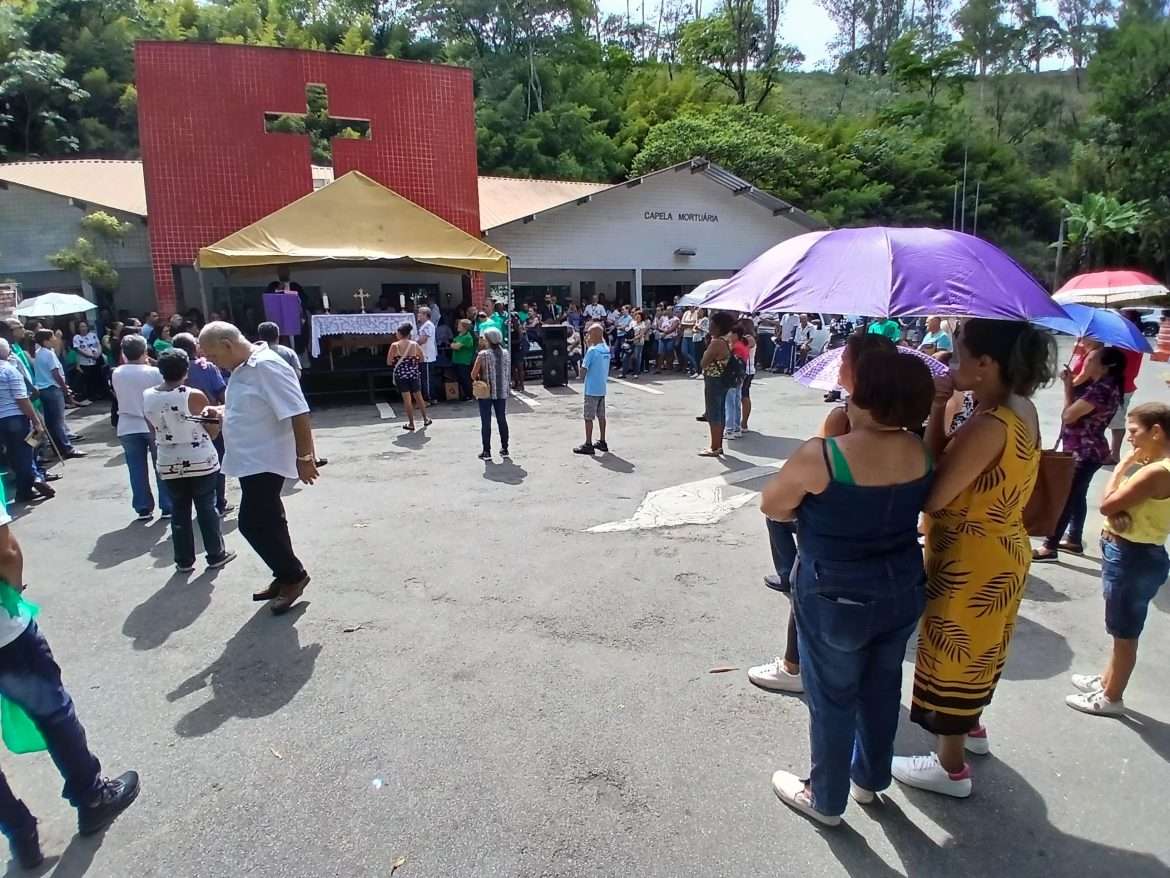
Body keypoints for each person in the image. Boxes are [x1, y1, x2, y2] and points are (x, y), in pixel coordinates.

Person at [764, 348, 935, 826]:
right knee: (882, 687)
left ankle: (826, 797)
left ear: (864, 393)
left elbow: (774, 505)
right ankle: (870, 778)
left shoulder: (824, 455)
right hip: (901, 585)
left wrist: (830, 434)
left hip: (836, 594)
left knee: (833, 697)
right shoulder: (921, 451)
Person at [894, 319, 1055, 799]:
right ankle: (970, 729)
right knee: (982, 649)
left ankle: (950, 765)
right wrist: (943, 405)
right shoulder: (1014, 407)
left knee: (954, 652)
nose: (950, 359)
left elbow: (933, 494)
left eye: (959, 352)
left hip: (971, 557)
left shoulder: (987, 425)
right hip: (1001, 548)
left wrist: (933, 414)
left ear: (987, 364)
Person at [0, 479, 139, 868]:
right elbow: (6, 553)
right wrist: (13, 590)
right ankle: (92, 798)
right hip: (4, 636)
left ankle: (17, 830)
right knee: (52, 713)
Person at [751, 332, 898, 695]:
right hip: (885, 546)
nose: (838, 364)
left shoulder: (840, 418)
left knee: (805, 579)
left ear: (861, 372)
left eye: (845, 359)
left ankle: (793, 665)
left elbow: (779, 496)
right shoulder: (907, 430)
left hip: (834, 541)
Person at [197, 321, 318, 614]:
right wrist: (219, 411)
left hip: (267, 458)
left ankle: (293, 575)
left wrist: (305, 457)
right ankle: (285, 573)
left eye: (213, 357)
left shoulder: (267, 366)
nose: (214, 363)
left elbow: (298, 411)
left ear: (227, 345)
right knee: (270, 519)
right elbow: (248, 408)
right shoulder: (242, 368)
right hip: (250, 458)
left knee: (251, 524)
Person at [1065, 403, 1170, 716]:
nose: (1129, 438)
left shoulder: (1155, 471)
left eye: (1134, 431)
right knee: (1120, 630)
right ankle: (1107, 679)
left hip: (1132, 557)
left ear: (1156, 431)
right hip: (1140, 552)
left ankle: (1112, 697)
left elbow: (1108, 504)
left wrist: (1123, 467)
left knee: (1125, 634)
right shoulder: (1158, 465)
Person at [143, 349, 236, 573]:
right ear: (186, 370)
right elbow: (212, 432)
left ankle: (183, 560)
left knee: (179, 508)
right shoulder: (193, 395)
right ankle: (215, 554)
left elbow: (152, 428)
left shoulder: (148, 395)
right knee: (206, 506)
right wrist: (217, 419)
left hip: (168, 460)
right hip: (199, 459)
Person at [1034, 346, 1125, 562]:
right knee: (1077, 496)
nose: (1086, 361)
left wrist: (1067, 387)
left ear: (1105, 366)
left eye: (1091, 359)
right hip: (1090, 449)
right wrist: (1072, 383)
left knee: (1066, 498)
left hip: (1084, 450)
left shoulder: (1101, 389)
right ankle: (1074, 539)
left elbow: (1069, 415)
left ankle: (1050, 546)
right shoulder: (1103, 385)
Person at [112, 335, 173, 522]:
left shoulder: (117, 373)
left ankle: (143, 508)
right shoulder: (154, 372)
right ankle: (167, 506)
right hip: (154, 423)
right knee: (161, 466)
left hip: (128, 425)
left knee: (136, 469)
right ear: (145, 351)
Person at [172, 332, 232, 517]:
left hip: (180, 424)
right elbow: (222, 393)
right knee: (216, 461)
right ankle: (218, 504)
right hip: (210, 420)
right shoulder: (208, 368)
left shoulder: (170, 371)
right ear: (195, 348)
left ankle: (195, 505)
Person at [0, 340, 52, 503]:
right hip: (16, 418)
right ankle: (32, 481)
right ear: (6, 353)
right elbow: (22, 398)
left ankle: (31, 482)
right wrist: (36, 421)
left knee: (14, 454)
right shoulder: (9, 370)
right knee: (26, 450)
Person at [31, 329, 85, 461]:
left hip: (44, 389)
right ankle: (66, 448)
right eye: (53, 337)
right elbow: (55, 373)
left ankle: (58, 448)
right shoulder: (48, 354)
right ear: (46, 340)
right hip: (52, 389)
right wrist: (65, 388)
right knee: (57, 421)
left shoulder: (38, 353)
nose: (55, 339)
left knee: (51, 422)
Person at [1109, 313, 1145, 464]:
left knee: (1116, 421)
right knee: (1113, 420)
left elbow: (1116, 364)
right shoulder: (1131, 339)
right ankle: (1112, 452)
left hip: (1121, 386)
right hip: (1123, 385)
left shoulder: (1129, 342)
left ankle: (1114, 454)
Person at [698, 312, 736, 457]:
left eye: (712, 324)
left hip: (714, 380)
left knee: (714, 413)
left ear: (719, 327)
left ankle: (715, 447)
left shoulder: (716, 342)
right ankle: (718, 445)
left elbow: (703, 362)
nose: (710, 327)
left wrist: (708, 347)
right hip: (722, 379)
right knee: (720, 411)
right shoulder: (727, 339)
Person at [472, 326, 511, 460]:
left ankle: (486, 451)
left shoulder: (483, 355)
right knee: (502, 419)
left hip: (486, 392)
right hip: (501, 390)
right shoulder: (506, 353)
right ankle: (505, 448)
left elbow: (473, 374)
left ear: (488, 340)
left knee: (486, 421)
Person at [575, 324, 611, 456]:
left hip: (591, 389)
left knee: (588, 417)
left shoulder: (592, 351)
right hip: (602, 387)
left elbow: (582, 372)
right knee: (601, 416)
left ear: (594, 335)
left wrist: (587, 347)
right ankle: (602, 440)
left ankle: (588, 444)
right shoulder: (606, 349)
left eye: (589, 334)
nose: (587, 336)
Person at [387, 324, 430, 431]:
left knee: (407, 399)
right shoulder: (414, 345)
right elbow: (422, 358)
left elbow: (389, 361)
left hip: (401, 374)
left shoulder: (395, 345)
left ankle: (411, 423)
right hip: (413, 373)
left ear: (400, 333)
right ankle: (425, 419)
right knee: (419, 397)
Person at [724, 324, 750, 441]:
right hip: (740, 376)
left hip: (733, 376)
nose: (729, 335)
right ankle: (736, 427)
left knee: (730, 402)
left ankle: (729, 429)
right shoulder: (742, 344)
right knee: (736, 401)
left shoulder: (737, 347)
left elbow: (731, 362)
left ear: (735, 335)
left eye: (731, 333)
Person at [72, 320, 103, 402]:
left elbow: (98, 344)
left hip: (95, 360)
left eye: (84, 326)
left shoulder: (93, 335)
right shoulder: (76, 337)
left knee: (96, 378)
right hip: (84, 362)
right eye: (81, 326)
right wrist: (89, 355)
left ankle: (98, 394)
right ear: (78, 328)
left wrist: (98, 353)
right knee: (87, 380)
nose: (83, 328)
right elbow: (78, 349)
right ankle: (89, 395)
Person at [416, 306, 439, 404]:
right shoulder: (424, 325)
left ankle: (429, 398)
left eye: (420, 313)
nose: (418, 315)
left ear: (425, 314)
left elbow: (423, 339)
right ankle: (428, 397)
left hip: (427, 356)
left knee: (427, 379)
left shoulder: (428, 325)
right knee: (425, 378)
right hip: (424, 356)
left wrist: (412, 343)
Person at [450, 319, 476, 401]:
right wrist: (453, 345)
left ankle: (469, 395)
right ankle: (464, 394)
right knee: (460, 378)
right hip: (457, 361)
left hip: (464, 361)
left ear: (464, 327)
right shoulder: (459, 336)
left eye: (460, 325)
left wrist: (453, 345)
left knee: (465, 379)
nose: (457, 326)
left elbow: (456, 346)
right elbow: (453, 344)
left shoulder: (467, 337)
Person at [739, 319, 757, 432]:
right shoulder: (744, 338)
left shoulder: (749, 338)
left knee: (744, 396)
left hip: (747, 370)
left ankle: (744, 423)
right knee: (741, 396)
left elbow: (741, 349)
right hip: (744, 370)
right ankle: (741, 422)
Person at [627, 309, 650, 378]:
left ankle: (637, 371)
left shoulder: (642, 324)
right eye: (636, 316)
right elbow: (629, 331)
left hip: (639, 342)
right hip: (632, 341)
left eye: (639, 316)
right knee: (632, 357)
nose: (637, 317)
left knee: (637, 357)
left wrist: (634, 338)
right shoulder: (632, 322)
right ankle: (633, 370)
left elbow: (641, 334)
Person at [681, 306, 698, 375]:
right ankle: (696, 365)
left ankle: (692, 370)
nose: (690, 307)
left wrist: (687, 324)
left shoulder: (696, 313)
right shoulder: (686, 313)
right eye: (690, 306)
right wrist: (690, 324)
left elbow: (695, 324)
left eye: (692, 306)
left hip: (692, 336)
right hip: (685, 335)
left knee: (692, 353)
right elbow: (682, 324)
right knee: (684, 351)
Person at [692, 309, 709, 376]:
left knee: (701, 355)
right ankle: (697, 371)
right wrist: (695, 329)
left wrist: (698, 329)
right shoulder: (697, 320)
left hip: (701, 339)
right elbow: (693, 328)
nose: (698, 313)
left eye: (699, 312)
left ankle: (702, 371)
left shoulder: (705, 319)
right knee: (696, 356)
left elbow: (706, 330)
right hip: (695, 339)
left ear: (703, 312)